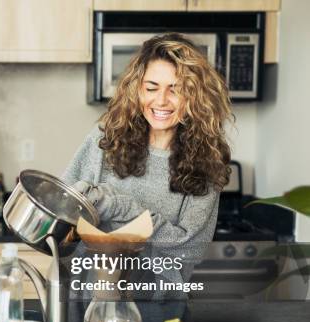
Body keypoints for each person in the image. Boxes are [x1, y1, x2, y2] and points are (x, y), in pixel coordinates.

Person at [63, 33, 232, 287]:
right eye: (151, 88)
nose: (161, 100)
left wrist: (120, 208)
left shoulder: (208, 161)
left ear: (195, 97)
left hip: (159, 306)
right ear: (137, 90)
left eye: (175, 90)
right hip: (89, 298)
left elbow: (189, 250)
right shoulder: (104, 140)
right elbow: (64, 210)